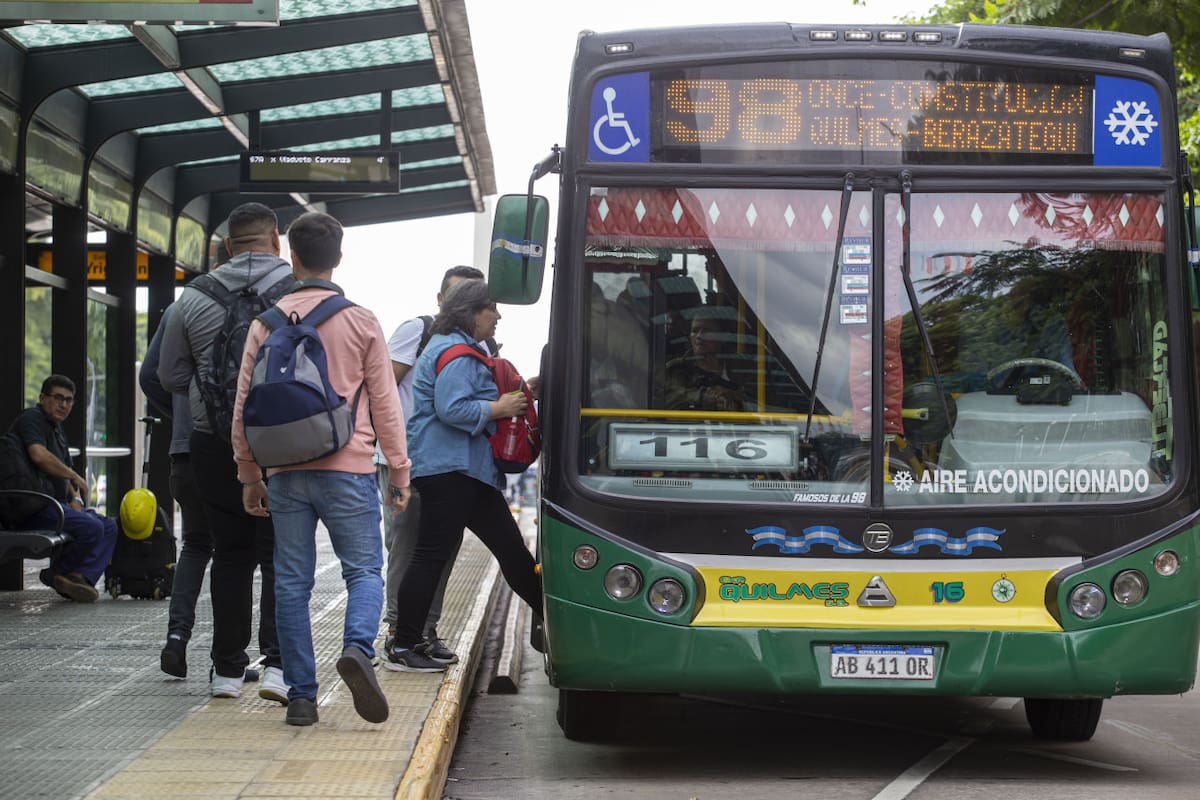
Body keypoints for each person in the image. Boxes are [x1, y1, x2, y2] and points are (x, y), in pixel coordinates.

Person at [232, 211, 411, 726]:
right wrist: (398, 471)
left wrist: (249, 474)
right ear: (339, 256)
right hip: (349, 469)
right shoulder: (360, 320)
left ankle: (302, 696)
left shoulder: (264, 324)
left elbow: (243, 405)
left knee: (290, 581)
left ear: (292, 256)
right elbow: (385, 403)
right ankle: (357, 647)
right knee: (363, 570)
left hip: (284, 471)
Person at [157, 202, 291, 702]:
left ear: (228, 245)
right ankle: (278, 667)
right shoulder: (301, 292)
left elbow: (169, 375)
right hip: (284, 444)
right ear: (275, 239)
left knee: (230, 553)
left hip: (213, 443)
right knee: (280, 554)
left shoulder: (193, 297)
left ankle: (226, 671)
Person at [386, 278, 543, 673]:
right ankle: (404, 645)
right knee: (431, 556)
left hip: (468, 472)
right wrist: (499, 408)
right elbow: (452, 408)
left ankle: (559, 616)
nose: (498, 316)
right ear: (473, 311)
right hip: (447, 471)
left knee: (512, 551)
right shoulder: (456, 353)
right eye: (493, 308)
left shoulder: (461, 351)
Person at [377, 264, 487, 665]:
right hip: (403, 457)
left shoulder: (477, 344)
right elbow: (381, 388)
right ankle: (397, 633)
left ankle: (425, 632)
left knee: (440, 547)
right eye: (457, 298)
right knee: (407, 547)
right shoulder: (417, 330)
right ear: (441, 300)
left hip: (446, 464)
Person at [139, 303, 212, 678]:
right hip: (235, 455)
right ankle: (227, 659)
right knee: (237, 554)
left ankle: (176, 640)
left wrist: (183, 413)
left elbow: (150, 376)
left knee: (195, 546)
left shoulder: (181, 309)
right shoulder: (257, 302)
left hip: (184, 451)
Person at [10, 375, 118, 603]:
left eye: (69, 400)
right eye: (58, 398)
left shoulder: (56, 430)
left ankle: (79, 578)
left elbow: (68, 476)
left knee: (109, 526)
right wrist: (73, 475)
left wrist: (76, 500)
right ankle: (57, 574)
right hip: (33, 505)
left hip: (55, 505)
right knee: (91, 527)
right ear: (42, 398)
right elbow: (38, 455)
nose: (64, 405)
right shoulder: (32, 419)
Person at [663, 313, 745, 412]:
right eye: (694, 331)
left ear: (723, 336)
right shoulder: (676, 369)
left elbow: (761, 401)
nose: (699, 336)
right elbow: (665, 400)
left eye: (706, 331)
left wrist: (735, 398)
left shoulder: (743, 368)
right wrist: (703, 397)